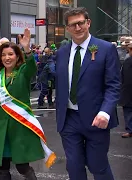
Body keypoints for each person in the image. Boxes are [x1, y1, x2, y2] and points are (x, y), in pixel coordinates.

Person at [55, 7, 121, 180]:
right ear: (67, 29)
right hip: (68, 119)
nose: (77, 28)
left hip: (96, 119)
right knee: (74, 167)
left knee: (97, 166)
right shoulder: (62, 53)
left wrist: (105, 112)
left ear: (88, 23)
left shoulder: (106, 49)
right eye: (72, 25)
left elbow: (113, 85)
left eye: (80, 23)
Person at [0, 29, 56, 180]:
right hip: (0, 127)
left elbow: (32, 67)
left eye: (10, 54)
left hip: (19, 125)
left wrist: (27, 49)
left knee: (22, 166)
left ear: (17, 56)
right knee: (2, 167)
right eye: (4, 55)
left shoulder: (23, 72)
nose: (7, 58)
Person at [119, 43, 132, 138]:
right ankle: (130, 129)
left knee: (128, 111)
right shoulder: (127, 61)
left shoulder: (127, 61)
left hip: (127, 90)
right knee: (128, 110)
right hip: (127, 90)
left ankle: (130, 130)